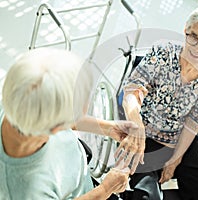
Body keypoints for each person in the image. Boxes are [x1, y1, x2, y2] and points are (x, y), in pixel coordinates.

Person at [115, 4, 198, 200]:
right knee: (146, 196)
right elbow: (132, 91)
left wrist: (175, 159)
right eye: (194, 37)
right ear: (186, 29)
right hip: (145, 133)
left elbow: (195, 120)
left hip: (180, 138)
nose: (197, 48)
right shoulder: (164, 52)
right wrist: (136, 125)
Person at [0, 48, 136, 200]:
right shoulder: (28, 193)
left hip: (75, 167)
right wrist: (105, 189)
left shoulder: (17, 100)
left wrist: (109, 128)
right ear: (56, 127)